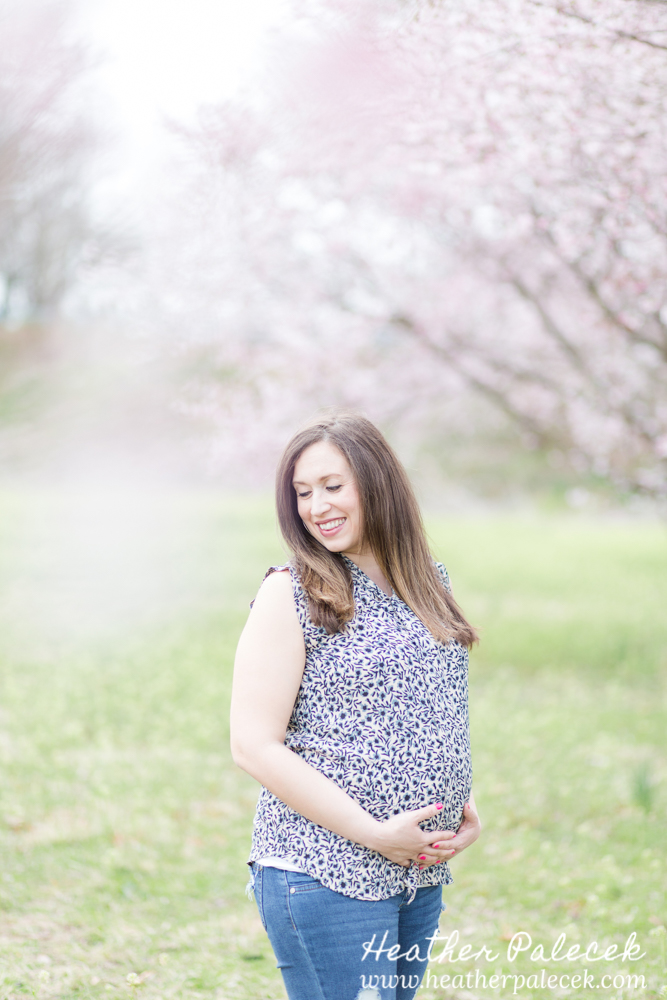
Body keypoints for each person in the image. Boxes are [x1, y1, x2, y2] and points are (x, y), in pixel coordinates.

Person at [230, 413, 481, 1000]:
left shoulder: (426, 583)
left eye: (332, 486)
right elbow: (252, 745)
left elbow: (425, 709)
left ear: (377, 483)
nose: (316, 506)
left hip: (415, 869)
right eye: (302, 492)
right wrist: (373, 833)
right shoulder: (289, 593)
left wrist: (459, 804)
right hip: (324, 871)